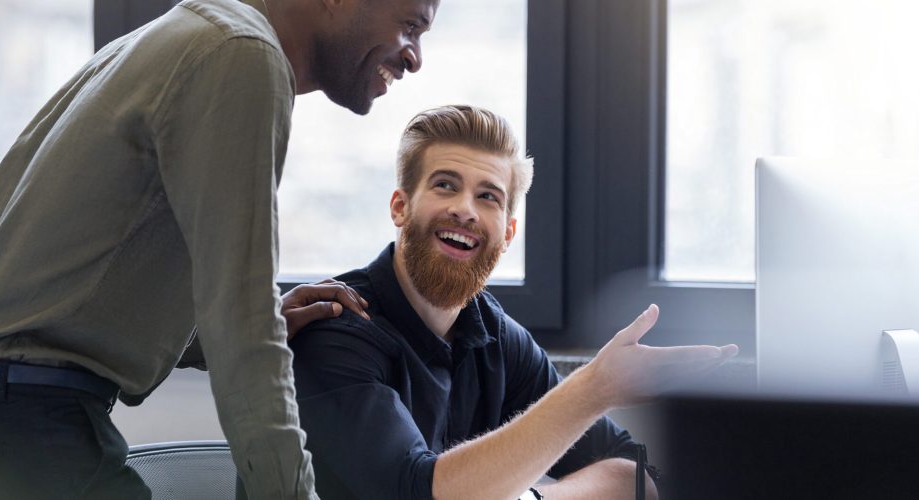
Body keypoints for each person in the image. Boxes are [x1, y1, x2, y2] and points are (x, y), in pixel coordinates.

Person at [0, 0, 439, 498]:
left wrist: (238, 327)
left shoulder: (200, 34)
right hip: (6, 418)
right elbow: (243, 326)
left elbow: (94, 273)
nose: (415, 57)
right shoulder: (243, 55)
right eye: (411, 25)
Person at [289, 105, 739, 500]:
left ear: (507, 233)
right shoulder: (337, 328)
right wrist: (594, 388)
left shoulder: (496, 336)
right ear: (399, 207)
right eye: (445, 185)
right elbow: (416, 492)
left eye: (488, 196)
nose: (465, 209)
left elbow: (638, 477)